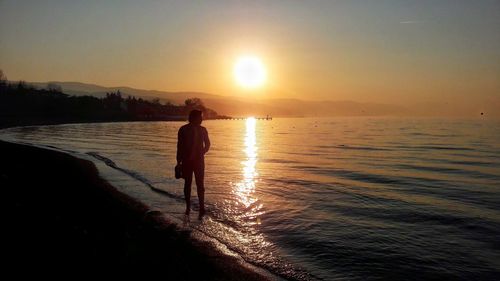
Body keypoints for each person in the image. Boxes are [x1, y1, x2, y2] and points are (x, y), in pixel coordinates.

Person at [176, 109, 210, 219]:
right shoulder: (183, 129)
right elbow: (179, 146)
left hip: (197, 161)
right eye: (200, 117)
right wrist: (178, 162)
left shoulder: (203, 130)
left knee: (199, 184)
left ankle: (201, 207)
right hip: (188, 161)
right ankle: (188, 207)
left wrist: (202, 152)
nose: (202, 119)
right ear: (194, 117)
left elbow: (208, 144)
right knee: (188, 184)